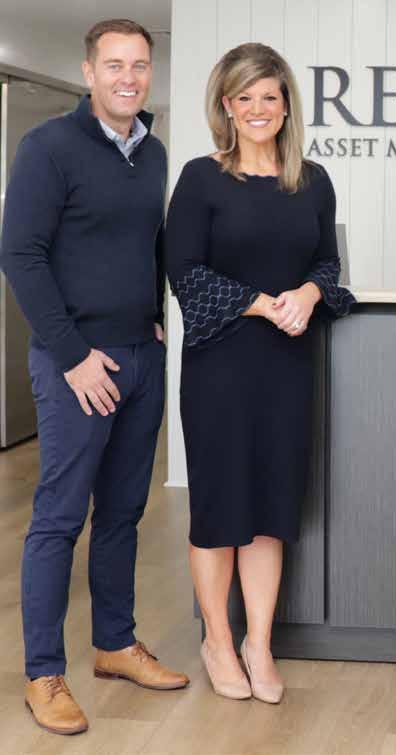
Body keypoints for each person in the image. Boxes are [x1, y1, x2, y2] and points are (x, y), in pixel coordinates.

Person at [0, 19, 189, 736]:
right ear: (88, 72)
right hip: (76, 363)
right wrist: (74, 355)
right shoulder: (48, 147)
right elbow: (20, 255)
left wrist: (158, 314)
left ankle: (114, 644)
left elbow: (152, 245)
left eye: (139, 65)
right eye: (114, 65)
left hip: (140, 356)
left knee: (122, 512)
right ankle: (44, 674)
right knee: (58, 517)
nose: (128, 78)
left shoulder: (154, 152)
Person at [166, 42, 354, 704]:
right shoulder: (200, 178)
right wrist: (259, 303)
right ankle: (218, 640)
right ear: (225, 105)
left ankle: (259, 644)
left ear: (286, 104)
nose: (257, 108)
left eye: (268, 96)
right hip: (219, 365)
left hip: (287, 365)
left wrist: (307, 293)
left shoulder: (313, 180)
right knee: (220, 506)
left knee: (272, 509)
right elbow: (183, 273)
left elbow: (329, 264)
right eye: (243, 97)